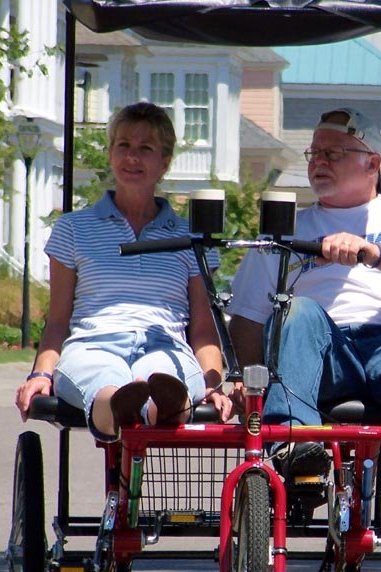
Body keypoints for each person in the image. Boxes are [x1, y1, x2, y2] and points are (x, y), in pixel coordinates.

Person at [228, 108, 381, 572]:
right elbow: (248, 320)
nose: (319, 160)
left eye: (334, 152)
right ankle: (298, 454)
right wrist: (245, 377)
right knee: (296, 309)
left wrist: (370, 251)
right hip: (317, 351)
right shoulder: (286, 226)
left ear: (372, 162)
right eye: (314, 152)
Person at [16, 102, 231, 438]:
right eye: (124, 146)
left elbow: (203, 329)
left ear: (165, 162)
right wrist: (40, 374)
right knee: (105, 383)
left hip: (165, 346)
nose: (132, 158)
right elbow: (57, 320)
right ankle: (119, 406)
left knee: (163, 379)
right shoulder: (74, 229)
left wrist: (215, 383)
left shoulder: (191, 237)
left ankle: (165, 404)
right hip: (93, 343)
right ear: (111, 154)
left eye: (146, 149)